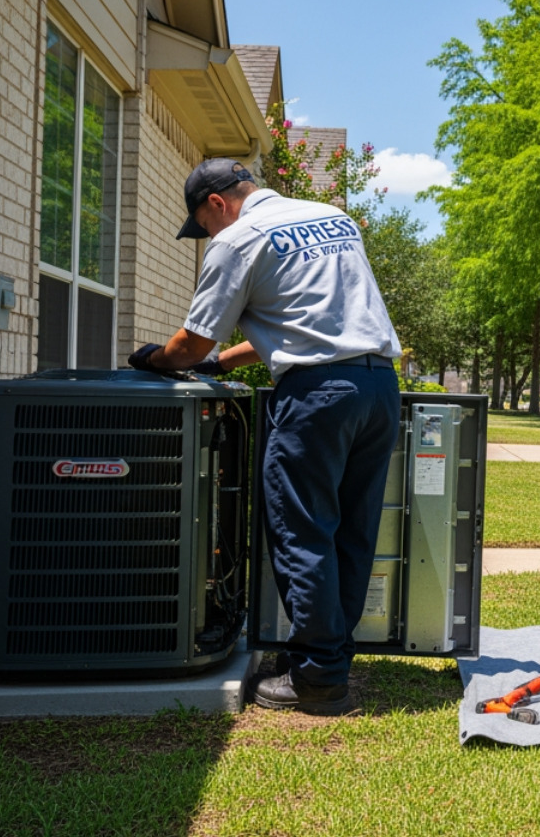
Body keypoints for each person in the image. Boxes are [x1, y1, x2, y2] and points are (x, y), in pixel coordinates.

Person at [129, 158, 402, 715]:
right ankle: (327, 660)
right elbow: (300, 322)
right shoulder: (331, 217)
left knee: (302, 531)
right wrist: (226, 367)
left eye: (203, 226)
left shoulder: (238, 239)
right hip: (377, 390)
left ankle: (319, 680)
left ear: (216, 204)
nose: (208, 236)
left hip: (318, 398)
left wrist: (152, 359)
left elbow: (192, 343)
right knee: (351, 533)